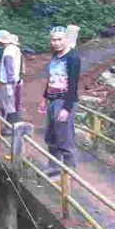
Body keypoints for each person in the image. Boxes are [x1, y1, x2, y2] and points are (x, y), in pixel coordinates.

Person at [40, 26, 81, 177]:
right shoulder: (55, 56)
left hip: (64, 100)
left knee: (64, 137)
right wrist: (44, 98)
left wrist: (66, 108)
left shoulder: (73, 58)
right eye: (53, 40)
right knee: (51, 136)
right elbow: (51, 79)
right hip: (52, 99)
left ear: (66, 39)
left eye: (59, 39)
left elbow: (73, 85)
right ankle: (54, 166)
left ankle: (68, 172)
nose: (56, 43)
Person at [0, 30, 23, 130]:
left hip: (7, 82)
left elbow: (9, 68)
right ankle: (12, 125)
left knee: (8, 105)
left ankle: (10, 127)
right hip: (15, 80)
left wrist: (10, 82)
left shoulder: (8, 51)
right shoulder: (15, 49)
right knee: (12, 103)